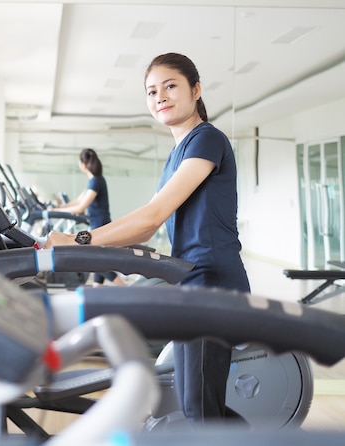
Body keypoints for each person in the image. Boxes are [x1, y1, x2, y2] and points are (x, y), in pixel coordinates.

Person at [44, 52, 250, 426]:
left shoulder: (207, 140)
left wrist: (79, 240)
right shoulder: (177, 153)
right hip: (191, 279)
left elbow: (153, 215)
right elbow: (147, 226)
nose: (160, 97)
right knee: (196, 402)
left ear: (196, 89)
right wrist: (86, 246)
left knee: (199, 406)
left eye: (170, 86)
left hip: (213, 282)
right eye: (152, 91)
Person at [51, 148, 126, 287]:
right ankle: (97, 289)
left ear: (83, 164)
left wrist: (57, 210)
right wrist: (58, 209)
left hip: (100, 224)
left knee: (96, 260)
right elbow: (78, 200)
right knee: (97, 258)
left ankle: (125, 288)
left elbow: (80, 207)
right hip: (98, 222)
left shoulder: (96, 181)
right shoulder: (94, 181)